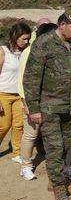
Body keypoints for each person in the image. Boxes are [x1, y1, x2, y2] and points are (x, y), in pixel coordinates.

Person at [23, 10, 71, 200]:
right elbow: (31, 78)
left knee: (66, 146)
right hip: (48, 108)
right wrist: (33, 108)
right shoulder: (43, 43)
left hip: (70, 107)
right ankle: (60, 193)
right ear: (62, 25)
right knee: (54, 148)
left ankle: (56, 180)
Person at [0, 21, 32, 163]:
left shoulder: (26, 52)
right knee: (4, 125)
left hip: (19, 95)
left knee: (19, 125)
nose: (26, 42)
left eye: (28, 39)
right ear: (14, 36)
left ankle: (17, 152)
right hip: (3, 94)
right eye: (23, 39)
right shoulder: (2, 51)